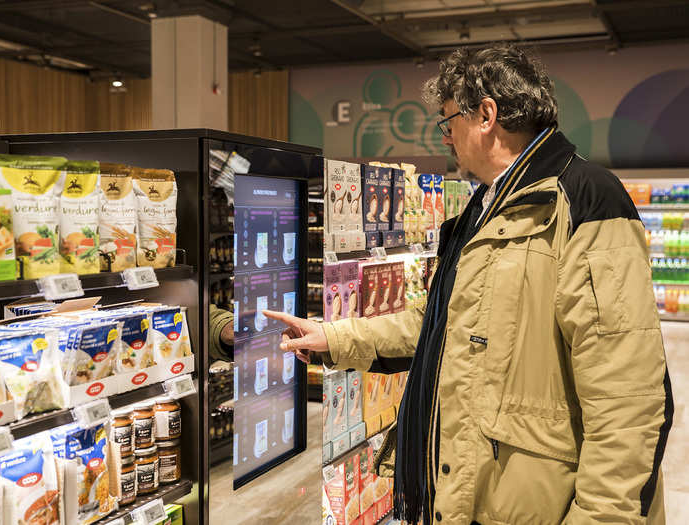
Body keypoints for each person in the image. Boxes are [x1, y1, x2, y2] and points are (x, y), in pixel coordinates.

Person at [264, 43, 673, 525]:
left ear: (486, 115)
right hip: (473, 490)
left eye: (448, 121)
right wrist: (333, 337)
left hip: (536, 503)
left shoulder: (584, 201)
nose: (446, 137)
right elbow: (437, 325)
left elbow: (628, 399)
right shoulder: (480, 212)